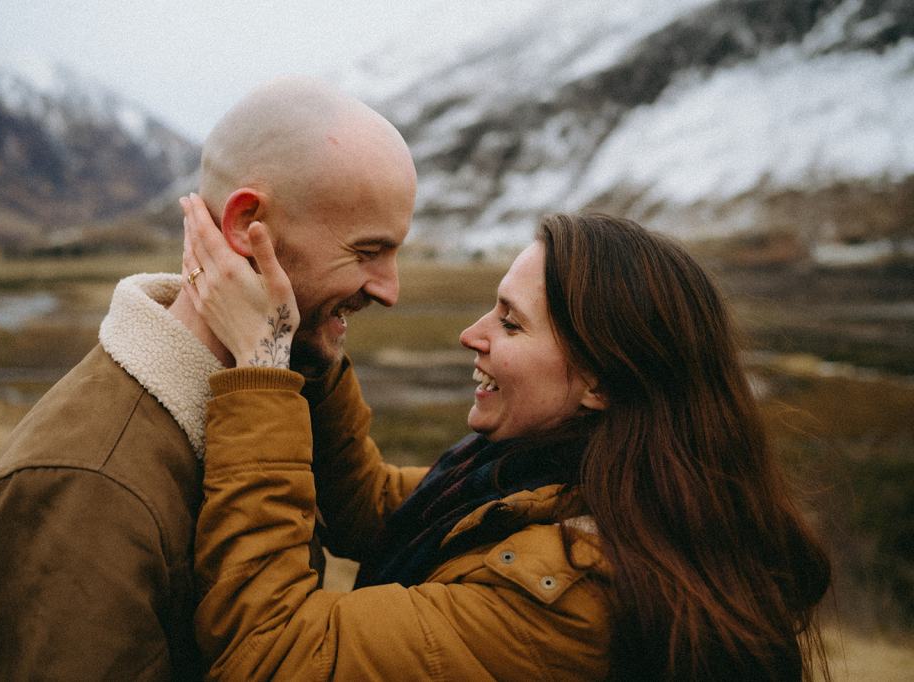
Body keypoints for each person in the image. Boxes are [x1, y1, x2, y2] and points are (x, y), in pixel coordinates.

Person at [180, 197, 831, 680]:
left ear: (601, 383)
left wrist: (262, 363)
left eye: (511, 325)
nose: (472, 333)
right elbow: (382, 511)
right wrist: (314, 353)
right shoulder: (570, 487)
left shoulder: (568, 601)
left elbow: (269, 654)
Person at [0, 78, 416, 680]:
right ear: (248, 226)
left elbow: (369, 507)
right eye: (367, 251)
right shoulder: (81, 489)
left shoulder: (272, 383)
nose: (391, 290)